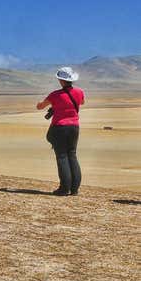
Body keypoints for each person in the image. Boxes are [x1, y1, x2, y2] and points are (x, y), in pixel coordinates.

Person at [36, 67, 85, 196]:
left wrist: (45, 104)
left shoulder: (55, 95)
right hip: (74, 127)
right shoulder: (79, 92)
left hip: (59, 128)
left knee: (62, 156)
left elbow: (40, 106)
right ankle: (74, 189)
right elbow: (82, 102)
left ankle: (64, 188)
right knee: (72, 155)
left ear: (61, 80)